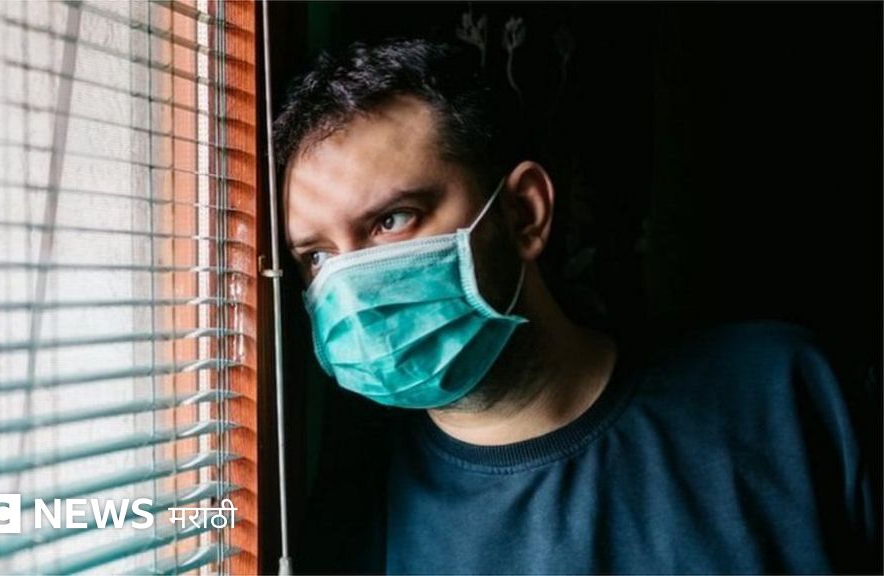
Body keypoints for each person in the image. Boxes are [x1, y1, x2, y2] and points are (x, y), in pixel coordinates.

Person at [273, 38, 880, 574]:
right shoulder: (351, 525)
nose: (353, 285)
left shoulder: (788, 396)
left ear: (524, 214)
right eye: (317, 256)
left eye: (392, 220)